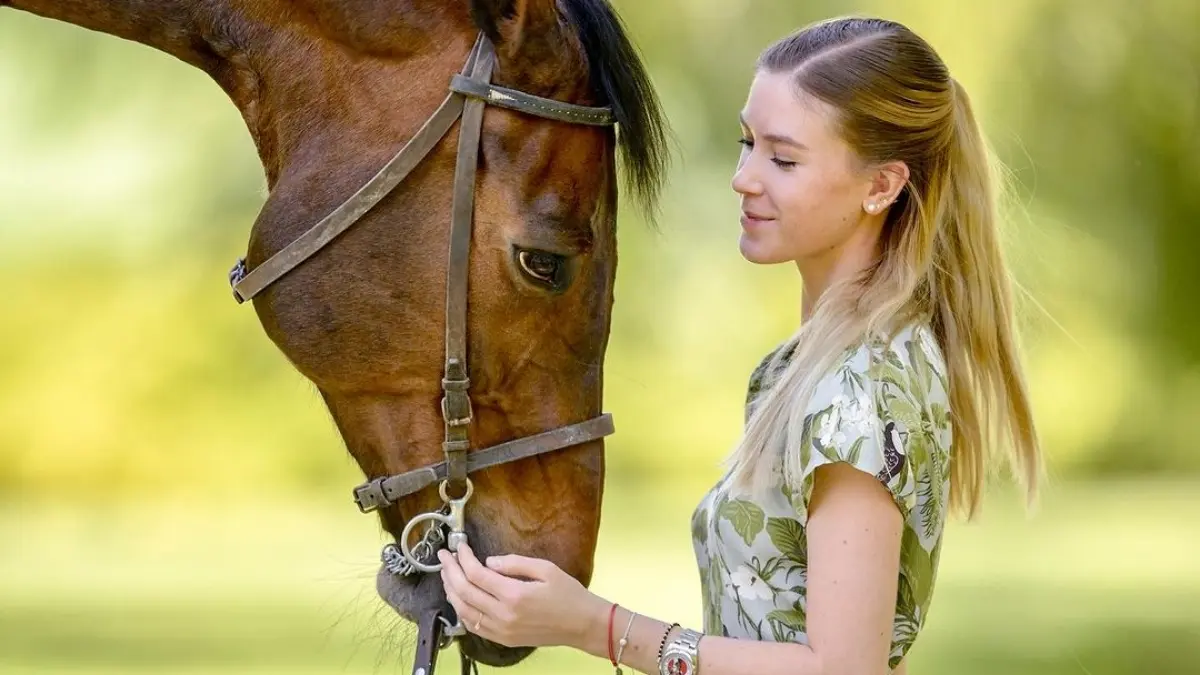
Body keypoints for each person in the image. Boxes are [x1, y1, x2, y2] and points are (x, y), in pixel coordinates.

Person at [437, 15, 1042, 675]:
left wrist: (598, 626)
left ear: (881, 186)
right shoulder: (806, 366)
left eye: (783, 158)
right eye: (747, 142)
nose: (744, 177)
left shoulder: (860, 386)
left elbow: (843, 668)